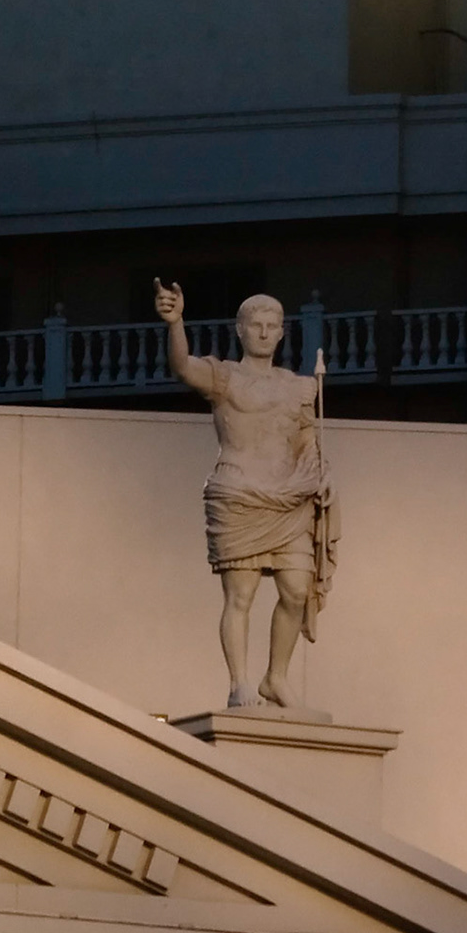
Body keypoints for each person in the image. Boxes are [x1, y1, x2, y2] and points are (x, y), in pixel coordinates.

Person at [154, 279, 338, 711]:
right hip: (237, 492)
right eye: (256, 324)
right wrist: (176, 322)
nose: (263, 332)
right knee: (241, 596)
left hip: (289, 496)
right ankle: (239, 683)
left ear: (281, 332)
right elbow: (182, 366)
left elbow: (306, 439)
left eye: (272, 325)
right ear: (240, 329)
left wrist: (321, 472)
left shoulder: (298, 386)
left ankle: (276, 677)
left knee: (296, 590)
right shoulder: (224, 377)